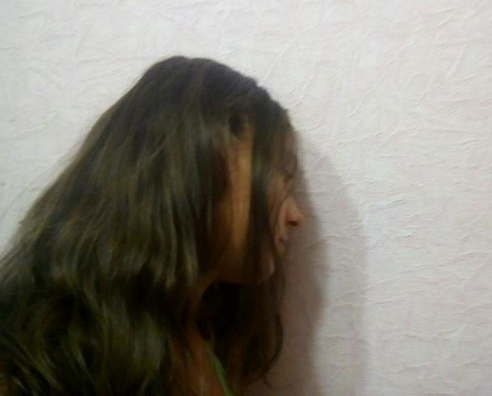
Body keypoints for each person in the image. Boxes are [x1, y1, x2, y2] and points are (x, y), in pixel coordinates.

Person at [0, 56, 305, 395]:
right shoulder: (26, 363)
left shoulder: (203, 335)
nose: (296, 216)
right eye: (283, 177)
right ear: (198, 167)